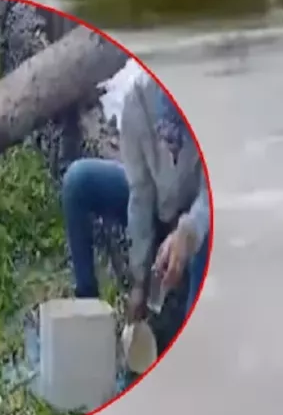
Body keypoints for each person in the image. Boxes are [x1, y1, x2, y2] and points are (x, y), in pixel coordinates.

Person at [62, 75, 210, 324]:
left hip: (198, 216)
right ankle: (88, 313)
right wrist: (140, 279)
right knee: (78, 181)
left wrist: (189, 231)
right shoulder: (140, 100)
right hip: (158, 205)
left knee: (210, 236)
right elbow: (140, 192)